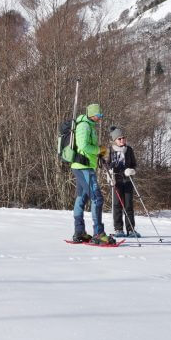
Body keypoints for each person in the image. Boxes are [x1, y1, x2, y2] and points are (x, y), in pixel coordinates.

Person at [71, 103, 115, 245]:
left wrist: (99, 152)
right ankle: (98, 234)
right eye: (99, 115)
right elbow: (83, 146)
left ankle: (79, 232)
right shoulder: (84, 126)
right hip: (83, 166)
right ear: (92, 114)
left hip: (85, 166)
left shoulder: (89, 125)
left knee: (81, 198)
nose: (100, 117)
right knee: (97, 198)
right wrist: (99, 150)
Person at [106, 126, 140, 238]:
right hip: (116, 181)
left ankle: (131, 229)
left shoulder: (129, 150)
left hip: (127, 180)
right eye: (119, 139)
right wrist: (109, 174)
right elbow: (106, 164)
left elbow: (134, 164)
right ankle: (118, 229)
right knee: (117, 205)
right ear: (114, 140)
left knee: (129, 205)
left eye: (123, 138)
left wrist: (132, 170)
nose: (122, 140)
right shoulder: (110, 150)